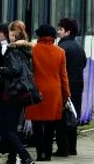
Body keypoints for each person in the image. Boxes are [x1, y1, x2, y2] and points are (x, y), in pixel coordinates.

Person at [25, 24, 70, 162]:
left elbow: (28, 72)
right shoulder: (60, 52)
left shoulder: (32, 50)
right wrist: (66, 94)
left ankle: (40, 154)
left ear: (39, 36)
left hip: (36, 92)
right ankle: (48, 154)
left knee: (37, 125)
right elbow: (63, 76)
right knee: (50, 126)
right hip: (54, 93)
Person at [0, 21, 36, 164]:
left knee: (9, 130)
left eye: (11, 34)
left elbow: (16, 70)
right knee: (12, 128)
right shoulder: (26, 49)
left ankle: (25, 157)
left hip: (13, 93)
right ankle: (12, 158)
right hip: (22, 93)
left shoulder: (13, 50)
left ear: (16, 34)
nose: (9, 36)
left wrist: (0, 70)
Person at [54, 17, 86, 157]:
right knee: (72, 117)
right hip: (78, 86)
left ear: (67, 31)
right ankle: (72, 148)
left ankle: (63, 149)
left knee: (61, 119)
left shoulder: (61, 48)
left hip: (64, 87)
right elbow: (84, 64)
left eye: (60, 29)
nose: (58, 32)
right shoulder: (79, 47)